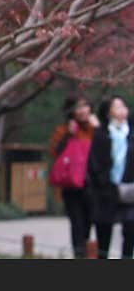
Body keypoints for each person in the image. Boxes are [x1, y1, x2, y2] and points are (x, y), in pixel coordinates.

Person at [48, 95, 98, 257]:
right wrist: (68, 135)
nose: (83, 110)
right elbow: (55, 153)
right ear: (71, 110)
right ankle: (79, 255)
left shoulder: (94, 128)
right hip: (71, 185)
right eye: (78, 107)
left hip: (92, 185)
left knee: (89, 223)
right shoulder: (63, 130)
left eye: (85, 106)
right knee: (76, 223)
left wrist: (99, 129)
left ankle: (86, 252)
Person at [86, 94, 134, 259]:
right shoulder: (102, 134)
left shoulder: (131, 133)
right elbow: (94, 164)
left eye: (123, 106)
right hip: (106, 190)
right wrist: (103, 182)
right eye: (117, 106)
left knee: (130, 227)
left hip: (130, 189)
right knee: (104, 231)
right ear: (108, 112)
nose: (122, 110)